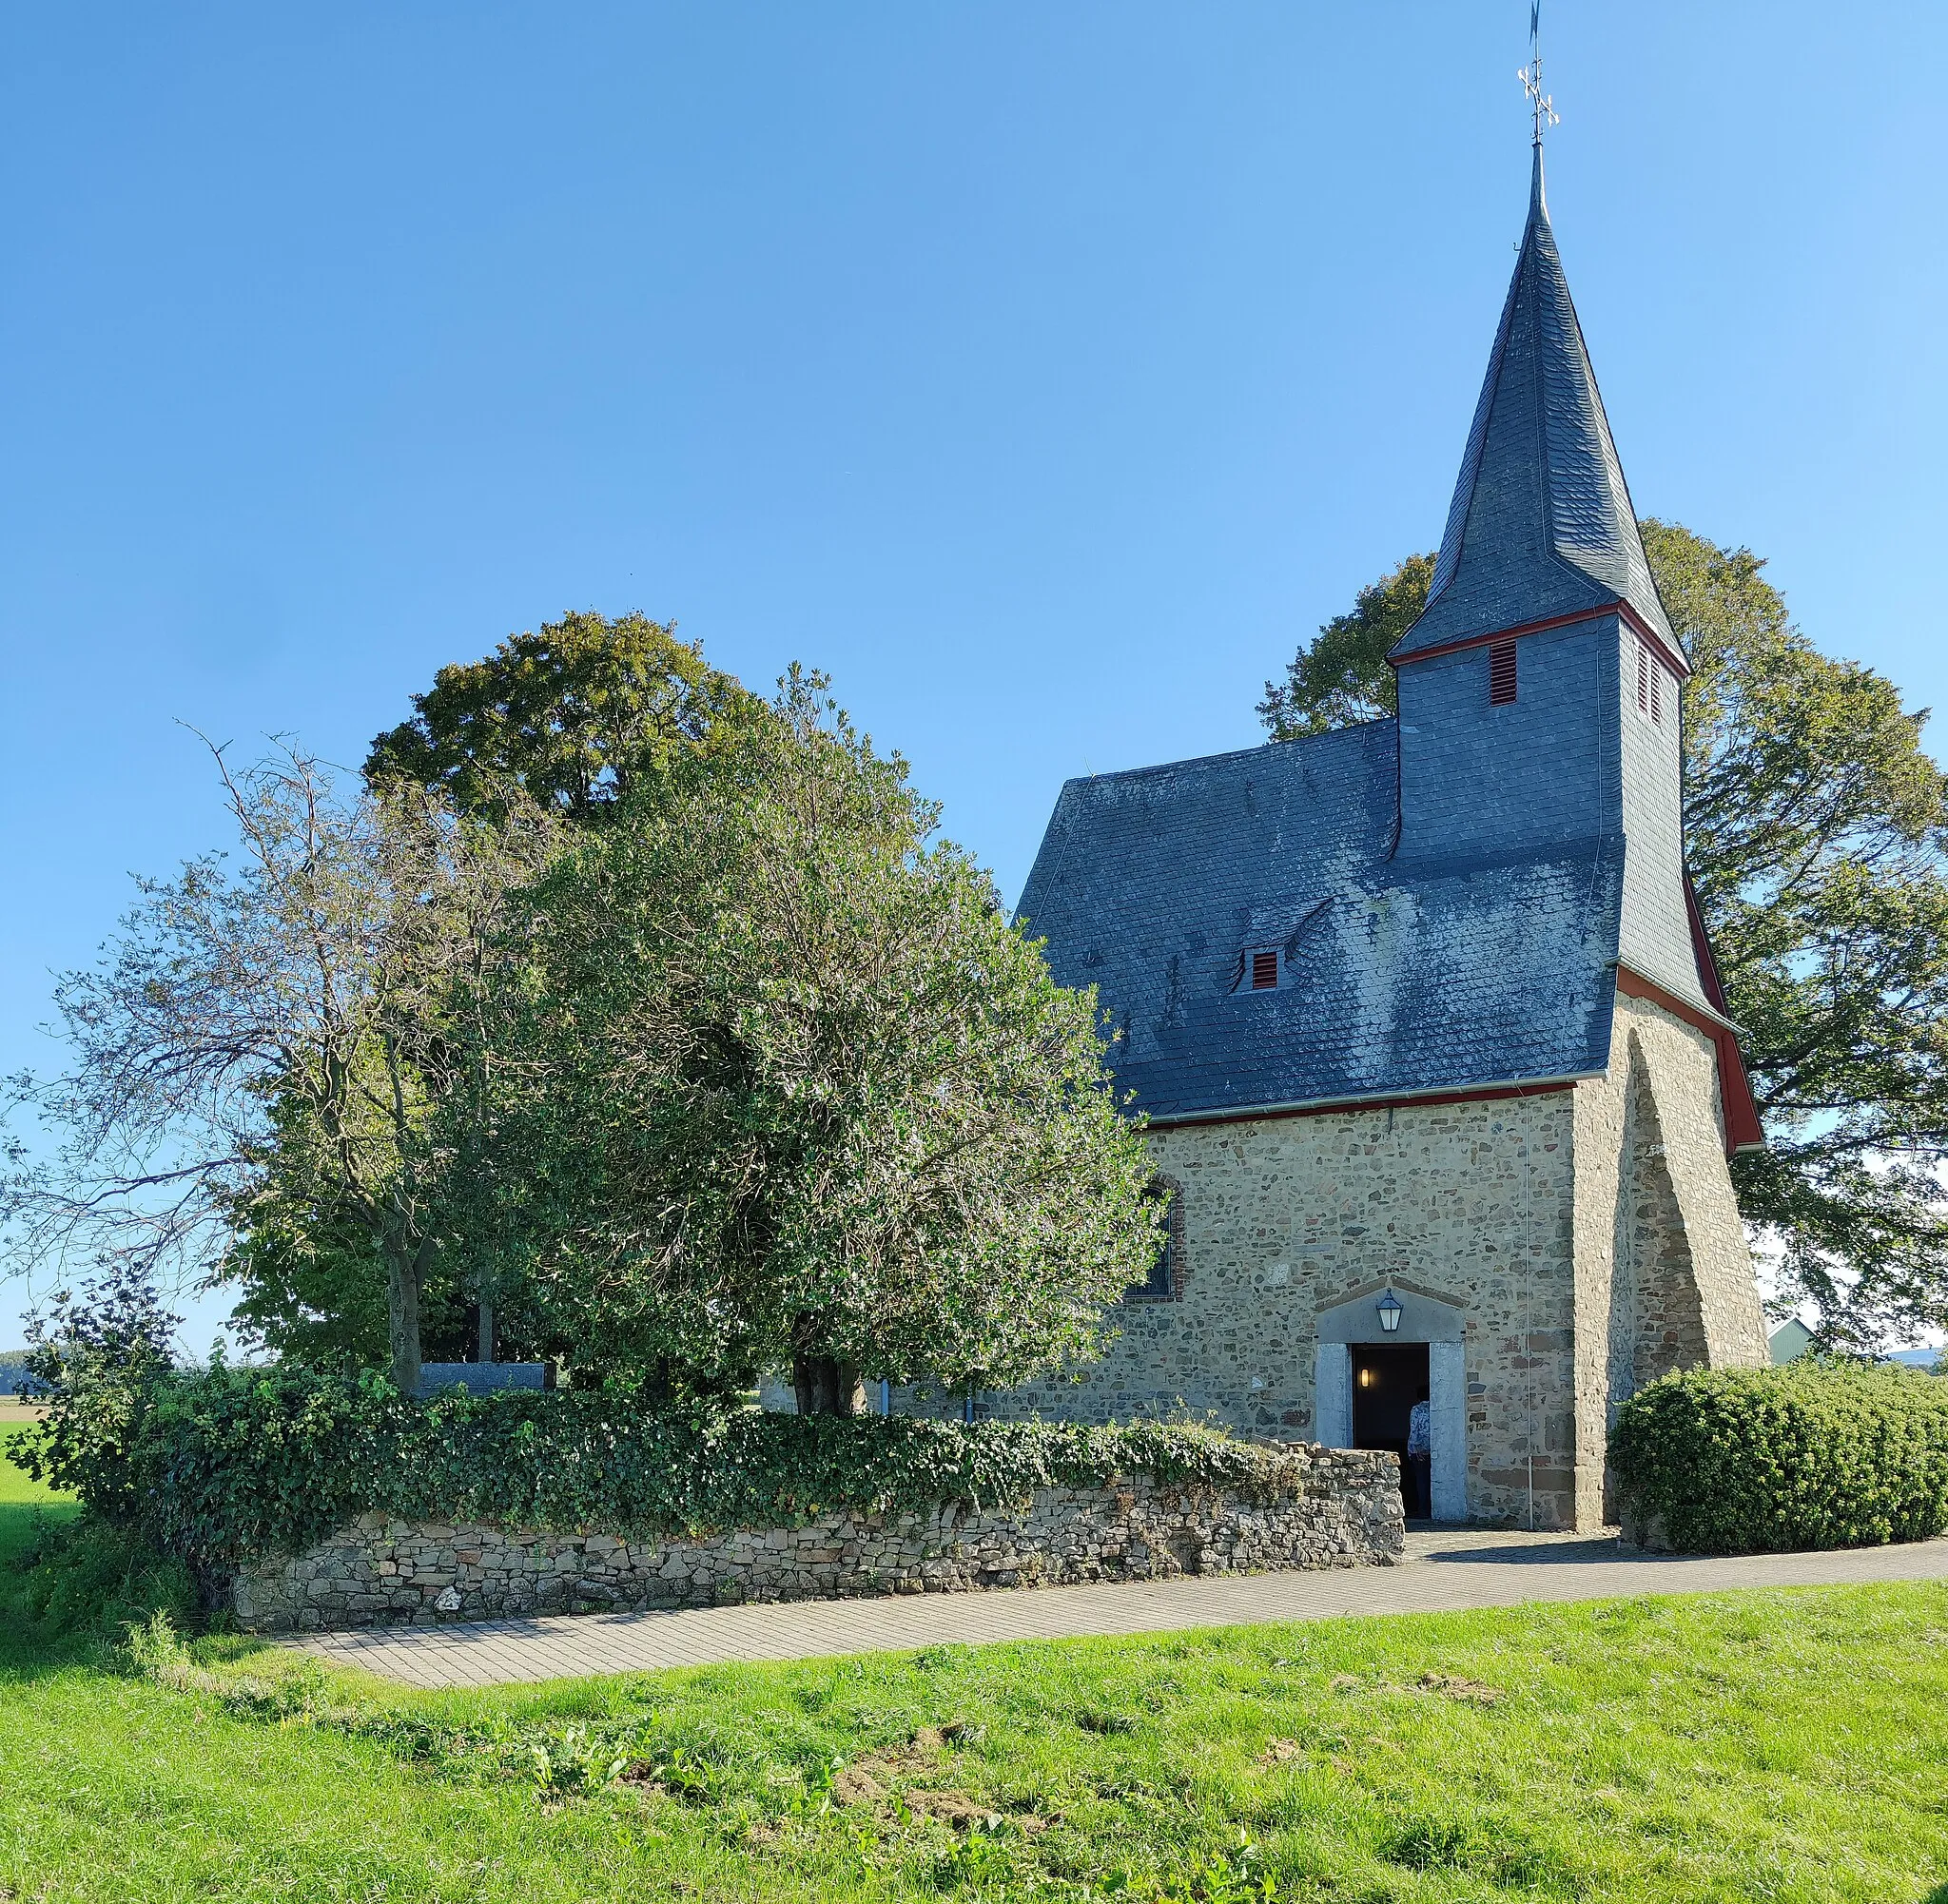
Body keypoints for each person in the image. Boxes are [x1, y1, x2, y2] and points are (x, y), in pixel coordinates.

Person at [1406, 1385, 1432, 1520]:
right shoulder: (1435, 1409)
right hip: (1433, 1448)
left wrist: (1415, 1448)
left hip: (1419, 1449)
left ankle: (1423, 1510)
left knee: (1421, 1480)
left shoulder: (1417, 1409)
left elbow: (1414, 1429)